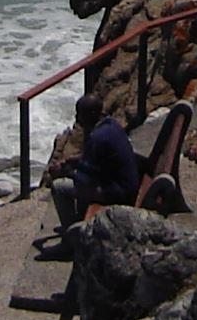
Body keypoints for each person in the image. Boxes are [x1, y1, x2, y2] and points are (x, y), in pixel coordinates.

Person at [50, 94, 139, 232]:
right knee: (79, 184)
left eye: (80, 114)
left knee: (59, 187)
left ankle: (70, 240)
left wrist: (65, 172)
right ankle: (78, 223)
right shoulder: (112, 125)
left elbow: (87, 179)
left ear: (91, 114)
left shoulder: (97, 138)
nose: (77, 119)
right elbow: (94, 162)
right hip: (128, 185)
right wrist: (73, 161)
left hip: (119, 194)